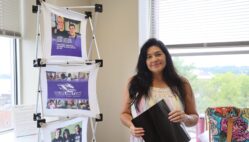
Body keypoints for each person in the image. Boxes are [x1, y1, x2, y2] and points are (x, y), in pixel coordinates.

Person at [120, 38, 199, 142]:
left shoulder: (182, 83)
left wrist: (185, 118)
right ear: (144, 61)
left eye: (158, 54)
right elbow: (124, 113)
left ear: (166, 56)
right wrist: (132, 126)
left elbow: (194, 117)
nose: (154, 59)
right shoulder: (134, 82)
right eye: (149, 57)